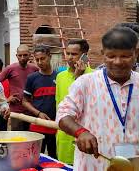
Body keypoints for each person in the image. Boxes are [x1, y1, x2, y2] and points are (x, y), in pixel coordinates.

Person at [56, 27, 139, 170]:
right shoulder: (85, 83)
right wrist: (80, 132)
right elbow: (63, 115)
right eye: (111, 56)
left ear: (136, 54)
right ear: (103, 54)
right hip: (94, 164)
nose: (118, 62)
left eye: (125, 56)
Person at [55, 39, 93, 165]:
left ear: (84, 56)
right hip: (64, 136)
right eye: (68, 53)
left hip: (86, 137)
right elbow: (60, 105)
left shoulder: (94, 76)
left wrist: (79, 77)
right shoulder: (60, 77)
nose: (70, 57)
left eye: (74, 54)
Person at [22, 45, 57, 159]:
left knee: (54, 158)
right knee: (35, 158)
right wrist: (38, 113)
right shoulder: (32, 78)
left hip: (55, 126)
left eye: (43, 58)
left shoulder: (59, 77)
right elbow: (25, 101)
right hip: (37, 125)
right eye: (37, 60)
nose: (40, 62)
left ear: (49, 57)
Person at [0, 44, 39, 131]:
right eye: (20, 55)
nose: (22, 58)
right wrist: (6, 99)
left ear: (30, 55)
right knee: (17, 138)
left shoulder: (34, 68)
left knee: (30, 138)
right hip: (16, 111)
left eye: (25, 55)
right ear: (16, 56)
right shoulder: (10, 68)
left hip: (31, 110)